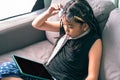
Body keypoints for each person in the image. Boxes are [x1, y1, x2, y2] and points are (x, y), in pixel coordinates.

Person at [0, 0, 102, 80]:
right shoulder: (66, 28)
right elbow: (36, 24)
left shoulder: (94, 42)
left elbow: (92, 76)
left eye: (70, 26)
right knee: (6, 67)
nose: (65, 29)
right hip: (44, 72)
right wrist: (48, 13)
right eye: (64, 24)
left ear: (84, 26)